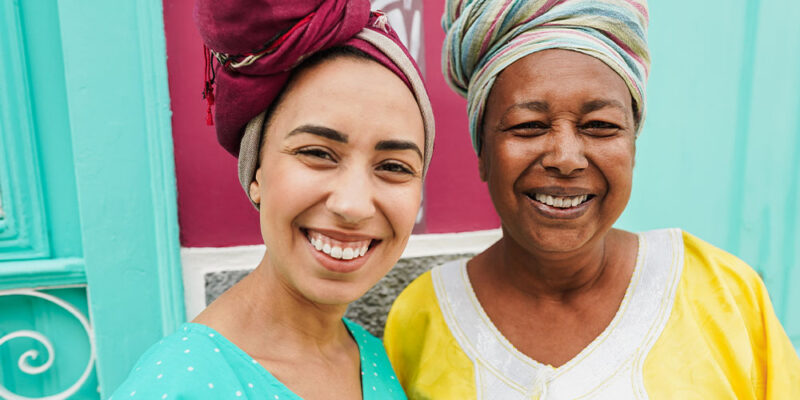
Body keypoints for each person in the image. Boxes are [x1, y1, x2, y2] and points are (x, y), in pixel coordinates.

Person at [383, 0, 800, 398]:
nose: (565, 159)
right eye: (528, 126)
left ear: (633, 147)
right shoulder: (424, 316)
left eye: (600, 126)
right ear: (482, 154)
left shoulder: (723, 296)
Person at [112, 0, 433, 399]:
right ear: (257, 174)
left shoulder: (367, 353)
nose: (352, 205)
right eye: (317, 153)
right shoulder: (178, 385)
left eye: (394, 166)